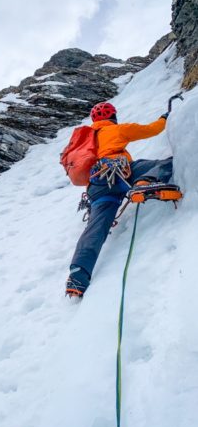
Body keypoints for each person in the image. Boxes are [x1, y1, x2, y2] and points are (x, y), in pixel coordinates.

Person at [65, 102, 173, 298]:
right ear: (113, 116)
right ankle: (143, 182)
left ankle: (78, 275)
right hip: (118, 172)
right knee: (164, 163)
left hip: (96, 186)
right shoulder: (116, 130)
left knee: (96, 228)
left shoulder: (84, 140)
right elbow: (153, 129)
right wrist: (166, 117)